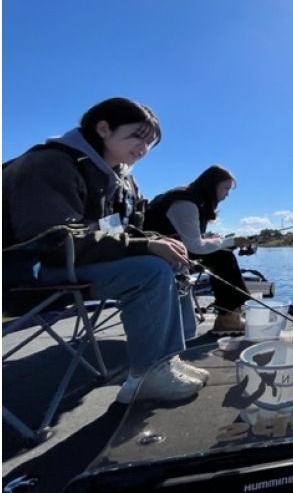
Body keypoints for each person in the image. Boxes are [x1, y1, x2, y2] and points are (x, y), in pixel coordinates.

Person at [3, 97, 209, 403]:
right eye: (137, 136)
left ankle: (166, 361)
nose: (144, 148)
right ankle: (146, 378)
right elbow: (54, 240)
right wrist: (144, 245)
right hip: (26, 270)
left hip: (76, 261)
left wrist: (159, 242)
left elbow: (122, 231)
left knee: (172, 260)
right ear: (103, 129)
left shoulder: (124, 180)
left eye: (150, 142)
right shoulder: (48, 164)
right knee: (149, 271)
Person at [144, 165, 252, 335]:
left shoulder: (194, 199)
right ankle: (228, 317)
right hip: (155, 252)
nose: (227, 194)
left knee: (222, 255)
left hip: (171, 248)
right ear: (212, 184)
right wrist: (230, 241)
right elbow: (195, 246)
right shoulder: (185, 202)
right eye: (226, 188)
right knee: (223, 258)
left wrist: (224, 240)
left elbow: (190, 240)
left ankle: (230, 313)